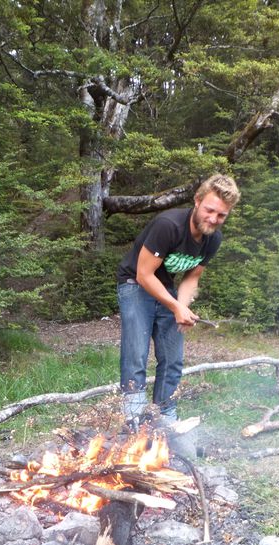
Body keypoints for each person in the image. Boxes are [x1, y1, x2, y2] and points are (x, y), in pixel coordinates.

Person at [116, 173, 240, 430]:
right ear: (197, 201)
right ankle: (134, 420)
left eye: (221, 215)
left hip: (165, 288)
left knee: (173, 358)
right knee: (136, 355)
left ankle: (164, 416)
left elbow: (191, 278)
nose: (213, 219)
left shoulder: (213, 239)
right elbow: (143, 275)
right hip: (135, 284)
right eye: (210, 210)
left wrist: (181, 307)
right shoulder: (168, 225)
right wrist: (175, 306)